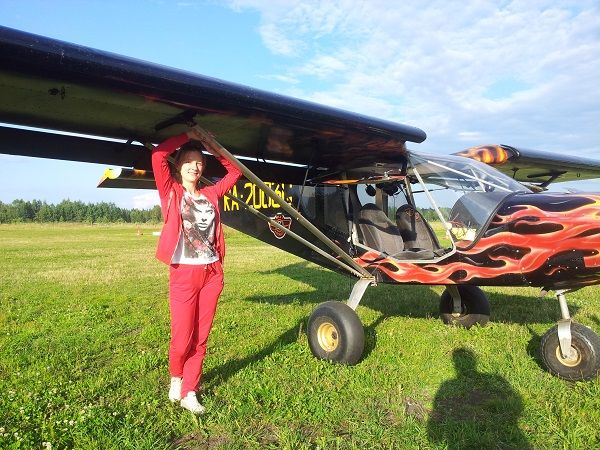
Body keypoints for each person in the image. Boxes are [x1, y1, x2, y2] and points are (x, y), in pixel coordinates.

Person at [151, 126, 242, 414]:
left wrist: (210, 144)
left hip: (212, 272)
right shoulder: (171, 191)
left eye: (200, 162)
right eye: (189, 161)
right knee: (182, 339)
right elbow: (158, 155)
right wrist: (187, 136)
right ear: (179, 166)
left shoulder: (211, 193)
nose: (195, 166)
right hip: (183, 273)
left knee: (201, 338)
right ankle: (176, 377)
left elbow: (235, 172)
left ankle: (190, 390)